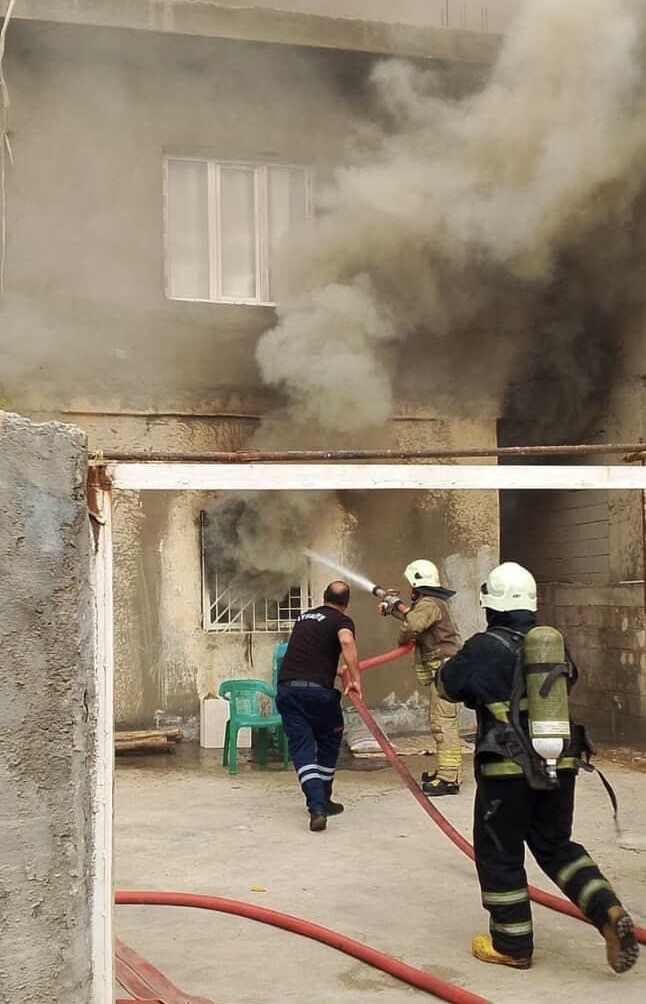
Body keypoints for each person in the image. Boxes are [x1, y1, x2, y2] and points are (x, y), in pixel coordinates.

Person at [436, 561, 639, 974]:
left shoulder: (484, 646)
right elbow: (571, 680)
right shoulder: (552, 644)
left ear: (490, 606)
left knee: (499, 853)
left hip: (506, 770)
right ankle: (608, 912)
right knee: (556, 846)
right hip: (560, 762)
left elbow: (447, 685)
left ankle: (511, 944)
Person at [276, 580, 362, 832]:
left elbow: (309, 653)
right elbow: (346, 643)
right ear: (346, 604)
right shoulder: (341, 621)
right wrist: (355, 679)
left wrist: (333, 670)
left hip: (288, 691)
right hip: (319, 695)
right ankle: (320, 801)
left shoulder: (303, 618)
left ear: (324, 597)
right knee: (329, 741)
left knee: (302, 749)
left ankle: (319, 804)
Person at [381, 559, 462, 795]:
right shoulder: (432, 603)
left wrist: (402, 638)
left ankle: (449, 779)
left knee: (443, 722)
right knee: (441, 721)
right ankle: (447, 772)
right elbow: (416, 619)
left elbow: (414, 625)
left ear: (416, 583)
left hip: (444, 670)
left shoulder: (429, 603)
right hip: (443, 670)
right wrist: (392, 608)